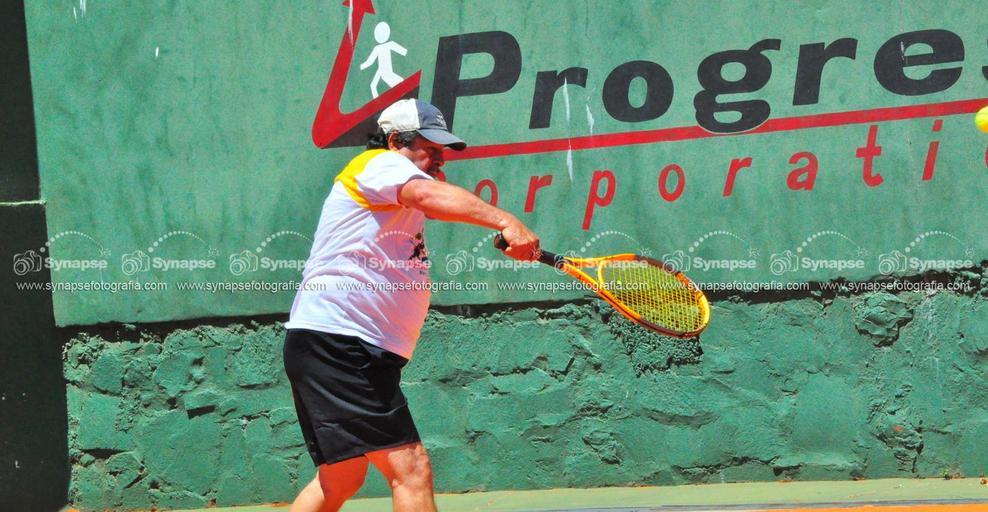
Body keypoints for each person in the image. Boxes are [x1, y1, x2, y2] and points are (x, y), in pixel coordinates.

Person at [284, 98, 540, 512]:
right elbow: (425, 194)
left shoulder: (392, 193)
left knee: (341, 478)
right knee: (411, 470)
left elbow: (430, 200)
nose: (439, 159)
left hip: (336, 345)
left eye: (443, 151)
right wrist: (505, 221)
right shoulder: (378, 164)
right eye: (430, 149)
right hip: (341, 345)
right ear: (393, 142)